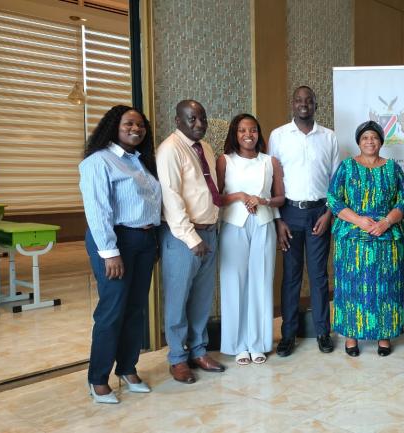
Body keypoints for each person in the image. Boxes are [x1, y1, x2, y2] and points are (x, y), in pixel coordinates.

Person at [79, 105, 161, 403]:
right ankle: (97, 378)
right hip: (115, 242)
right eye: (129, 123)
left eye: (140, 125)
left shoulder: (140, 162)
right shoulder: (98, 162)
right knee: (112, 311)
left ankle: (127, 368)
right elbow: (98, 211)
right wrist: (110, 253)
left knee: (136, 309)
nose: (136, 129)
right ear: (114, 126)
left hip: (144, 240)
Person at [327, 121, 404, 356]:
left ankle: (384, 336)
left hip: (386, 238)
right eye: (365, 138)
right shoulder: (346, 167)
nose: (370, 141)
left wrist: (386, 221)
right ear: (358, 141)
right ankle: (351, 336)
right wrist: (359, 220)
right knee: (352, 287)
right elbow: (333, 199)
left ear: (381, 142)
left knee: (385, 288)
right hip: (352, 239)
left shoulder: (392, 168)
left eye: (374, 137)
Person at [157, 100, 226, 384]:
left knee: (201, 298)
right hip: (183, 237)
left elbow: (208, 189)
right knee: (178, 298)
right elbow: (171, 198)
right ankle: (177, 358)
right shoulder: (169, 150)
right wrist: (191, 237)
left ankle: (198, 350)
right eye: (192, 118)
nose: (199, 123)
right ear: (178, 120)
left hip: (209, 232)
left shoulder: (205, 148)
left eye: (202, 118)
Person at [270, 86, 340, 356]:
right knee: (291, 276)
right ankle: (288, 334)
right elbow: (272, 180)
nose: (303, 104)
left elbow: (335, 181)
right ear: (292, 104)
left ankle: (323, 332)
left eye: (308, 100)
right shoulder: (278, 136)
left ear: (315, 104)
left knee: (320, 275)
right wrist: (278, 220)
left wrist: (329, 214)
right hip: (289, 214)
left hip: (319, 213)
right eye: (298, 100)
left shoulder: (329, 137)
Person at [216, 114, 285, 365]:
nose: (248, 134)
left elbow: (280, 198)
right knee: (234, 283)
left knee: (261, 282)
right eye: (242, 130)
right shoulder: (224, 161)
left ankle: (258, 343)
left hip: (264, 224)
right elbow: (216, 198)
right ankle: (237, 345)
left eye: (253, 130)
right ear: (235, 133)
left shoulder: (270, 162)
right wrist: (239, 195)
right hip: (234, 225)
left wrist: (262, 200)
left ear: (259, 133)